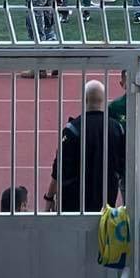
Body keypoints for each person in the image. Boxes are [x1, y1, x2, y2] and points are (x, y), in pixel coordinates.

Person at [46, 80, 125, 212]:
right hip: (106, 202)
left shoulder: (73, 129)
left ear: (85, 99)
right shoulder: (117, 129)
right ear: (104, 100)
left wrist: (49, 197)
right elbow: (123, 167)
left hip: (73, 203)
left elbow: (59, 169)